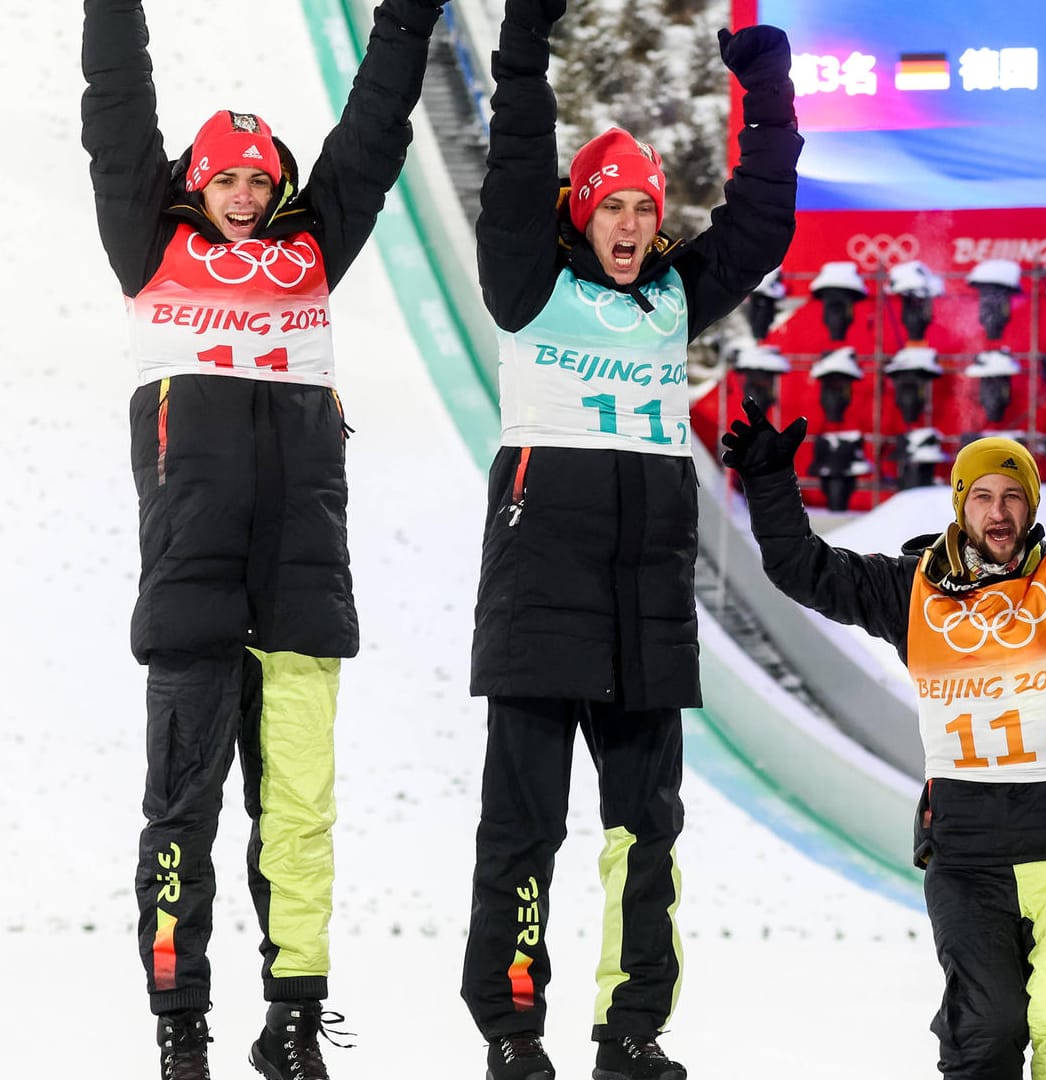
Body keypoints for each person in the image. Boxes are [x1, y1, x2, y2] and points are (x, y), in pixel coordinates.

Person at [80, 0, 447, 1076]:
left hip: (300, 593)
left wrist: (406, 24)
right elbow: (116, 110)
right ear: (197, 185)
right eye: (225, 179)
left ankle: (291, 1022)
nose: (242, 197)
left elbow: (373, 135)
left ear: (277, 189)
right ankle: (180, 1025)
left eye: (257, 181)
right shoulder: (149, 246)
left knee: (299, 823)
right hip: (191, 594)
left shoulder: (312, 253)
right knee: (180, 821)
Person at [458, 4, 801, 1079]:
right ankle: (513, 1027)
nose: (628, 226)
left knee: (643, 835)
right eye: (609, 208)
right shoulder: (530, 287)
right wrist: (523, 49)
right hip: (538, 587)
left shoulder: (672, 299)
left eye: (643, 212)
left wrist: (768, 93)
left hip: (646, 606)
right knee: (523, 829)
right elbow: (513, 163)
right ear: (580, 214)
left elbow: (763, 220)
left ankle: (631, 1030)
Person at [722, 407, 1046, 1080]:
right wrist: (768, 480)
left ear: (1033, 507)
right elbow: (804, 570)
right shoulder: (913, 590)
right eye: (983, 495)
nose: (999, 510)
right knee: (985, 1033)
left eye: (1014, 495)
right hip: (967, 856)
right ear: (961, 507)